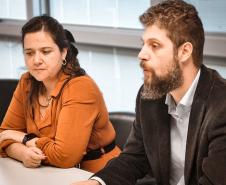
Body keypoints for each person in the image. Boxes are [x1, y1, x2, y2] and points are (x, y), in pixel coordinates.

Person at [71, 1, 226, 185]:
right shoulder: (150, 95)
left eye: (154, 45)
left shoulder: (222, 106)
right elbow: (134, 158)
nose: (141, 54)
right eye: (143, 44)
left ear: (184, 52)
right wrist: (97, 183)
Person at [0, 15, 120, 172]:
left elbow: (64, 157)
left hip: (97, 173)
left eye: (45, 51)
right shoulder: (27, 81)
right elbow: (4, 135)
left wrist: (24, 138)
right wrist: (23, 153)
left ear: (63, 53)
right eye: (29, 53)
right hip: (47, 172)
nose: (36, 60)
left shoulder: (80, 87)